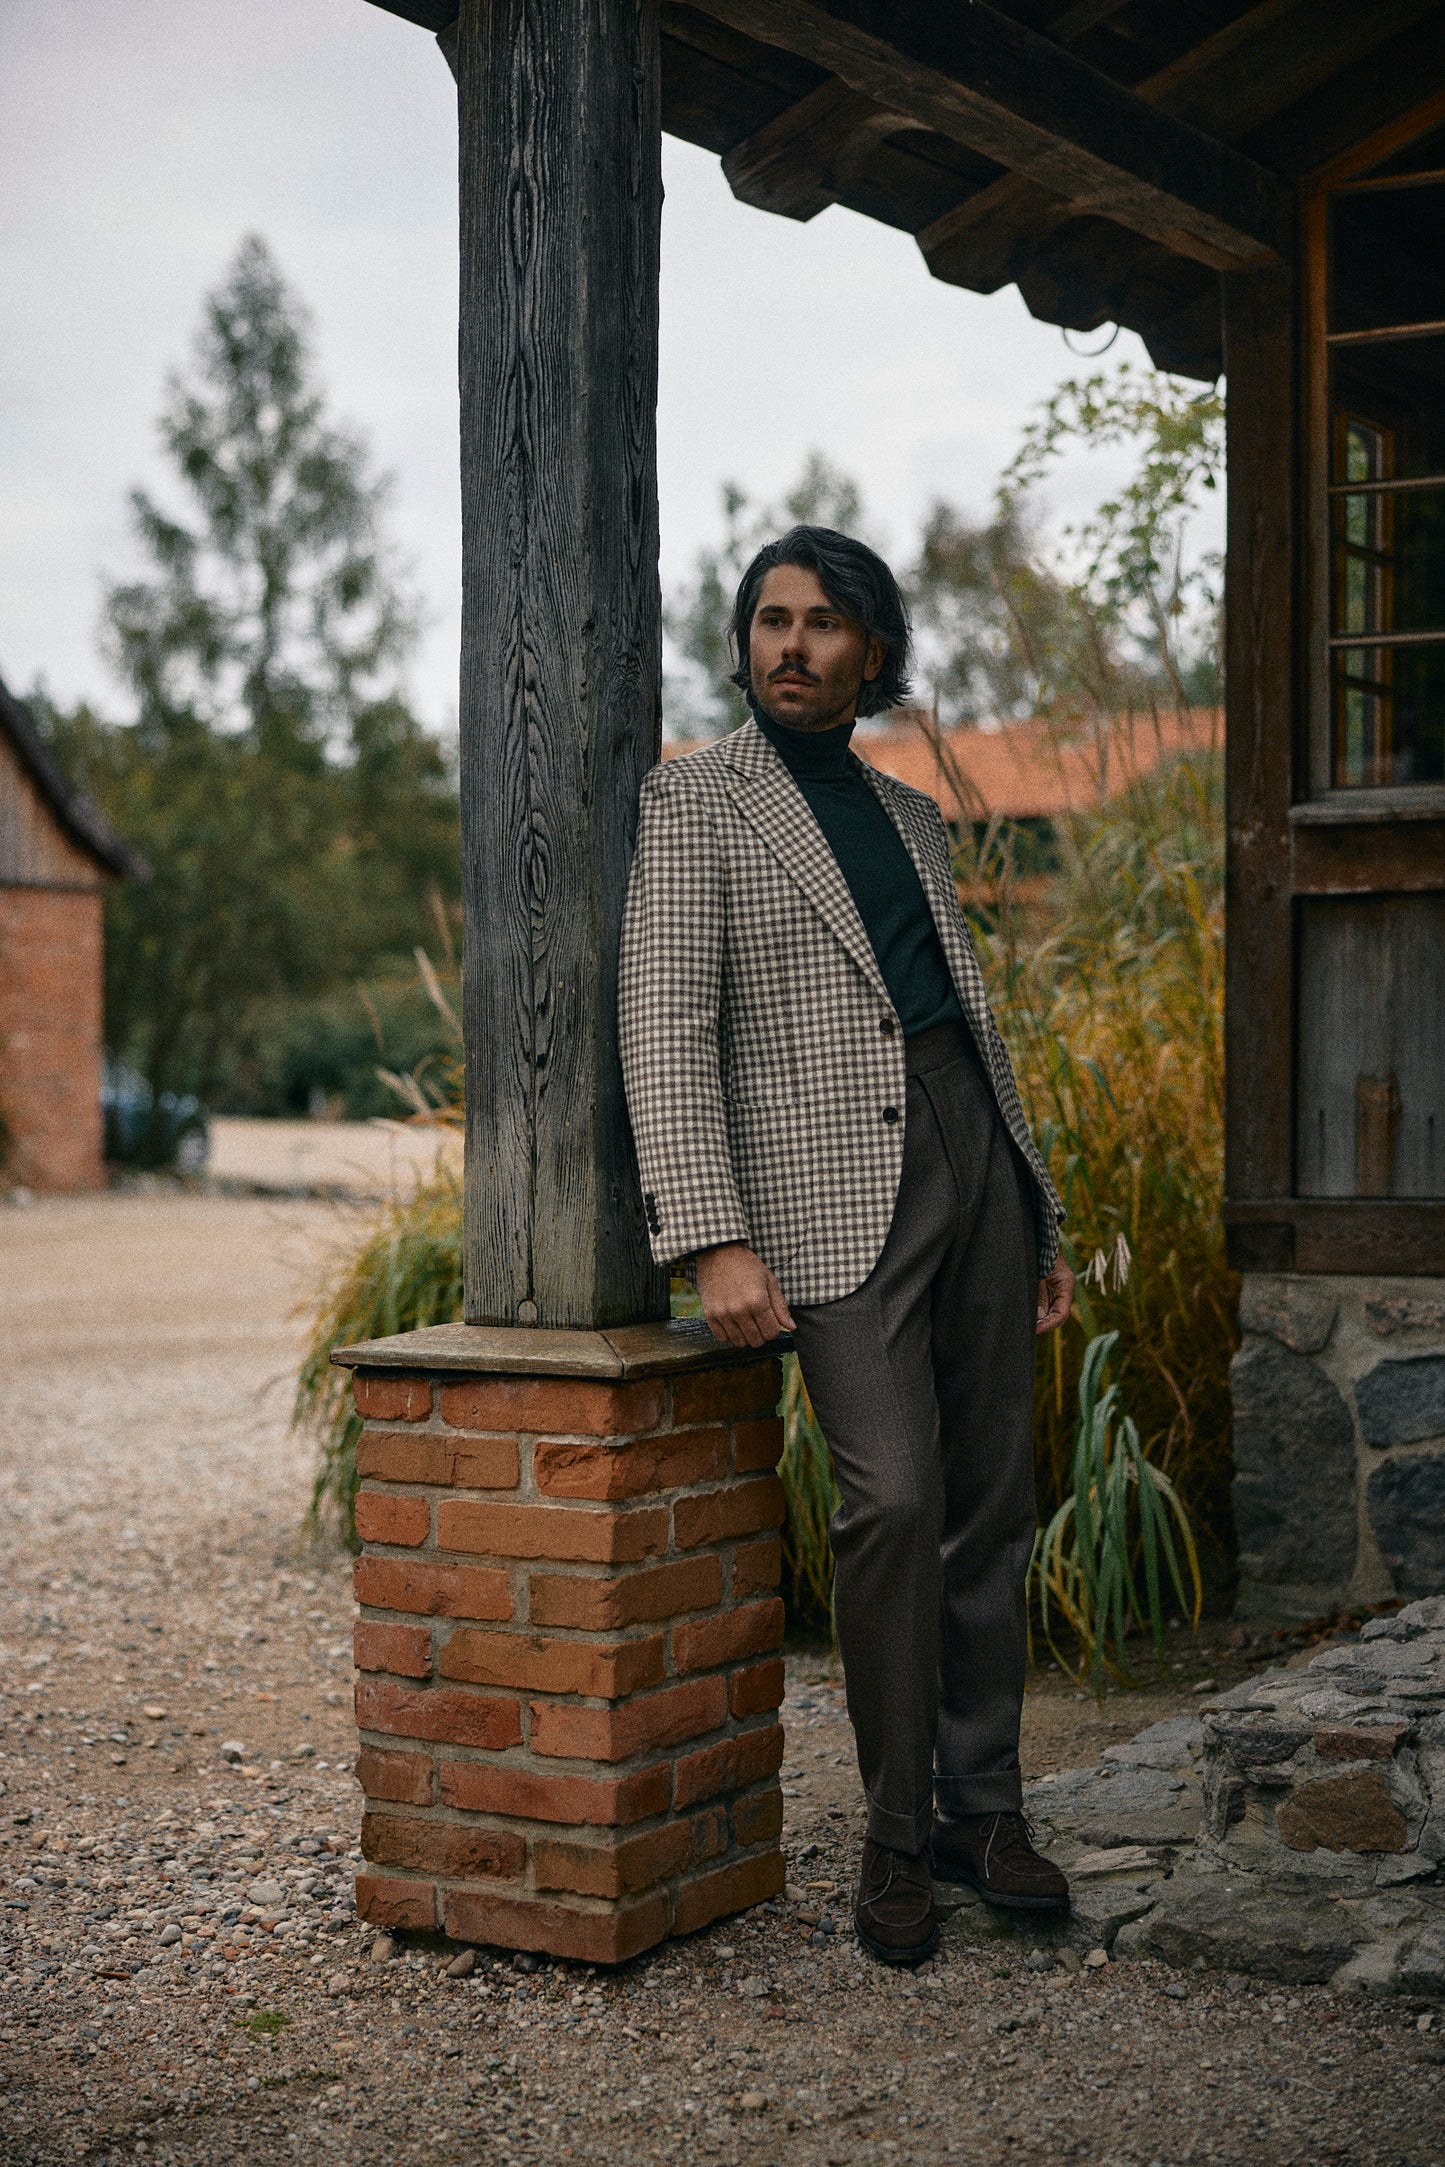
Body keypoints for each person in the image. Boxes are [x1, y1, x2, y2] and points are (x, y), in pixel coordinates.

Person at [618, 525, 1075, 1965]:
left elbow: (965, 1031)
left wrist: (1034, 1208)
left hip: (972, 1162)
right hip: (822, 1201)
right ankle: (889, 1834)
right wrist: (710, 1241)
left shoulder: (912, 816)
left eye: (822, 623)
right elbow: (666, 1028)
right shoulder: (695, 806)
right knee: (891, 1500)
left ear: (870, 650)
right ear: (745, 641)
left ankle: (979, 1808)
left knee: (991, 1502)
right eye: (770, 621)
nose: (791, 646)